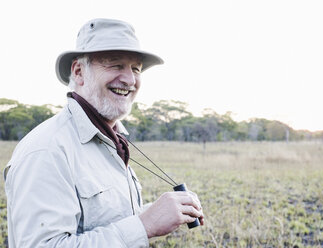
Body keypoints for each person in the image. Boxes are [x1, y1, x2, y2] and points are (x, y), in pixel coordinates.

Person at [4, 18, 204, 248]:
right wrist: (144, 225)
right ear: (79, 72)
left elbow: (104, 221)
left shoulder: (111, 139)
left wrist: (157, 213)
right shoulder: (46, 150)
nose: (129, 79)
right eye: (115, 65)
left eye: (136, 69)